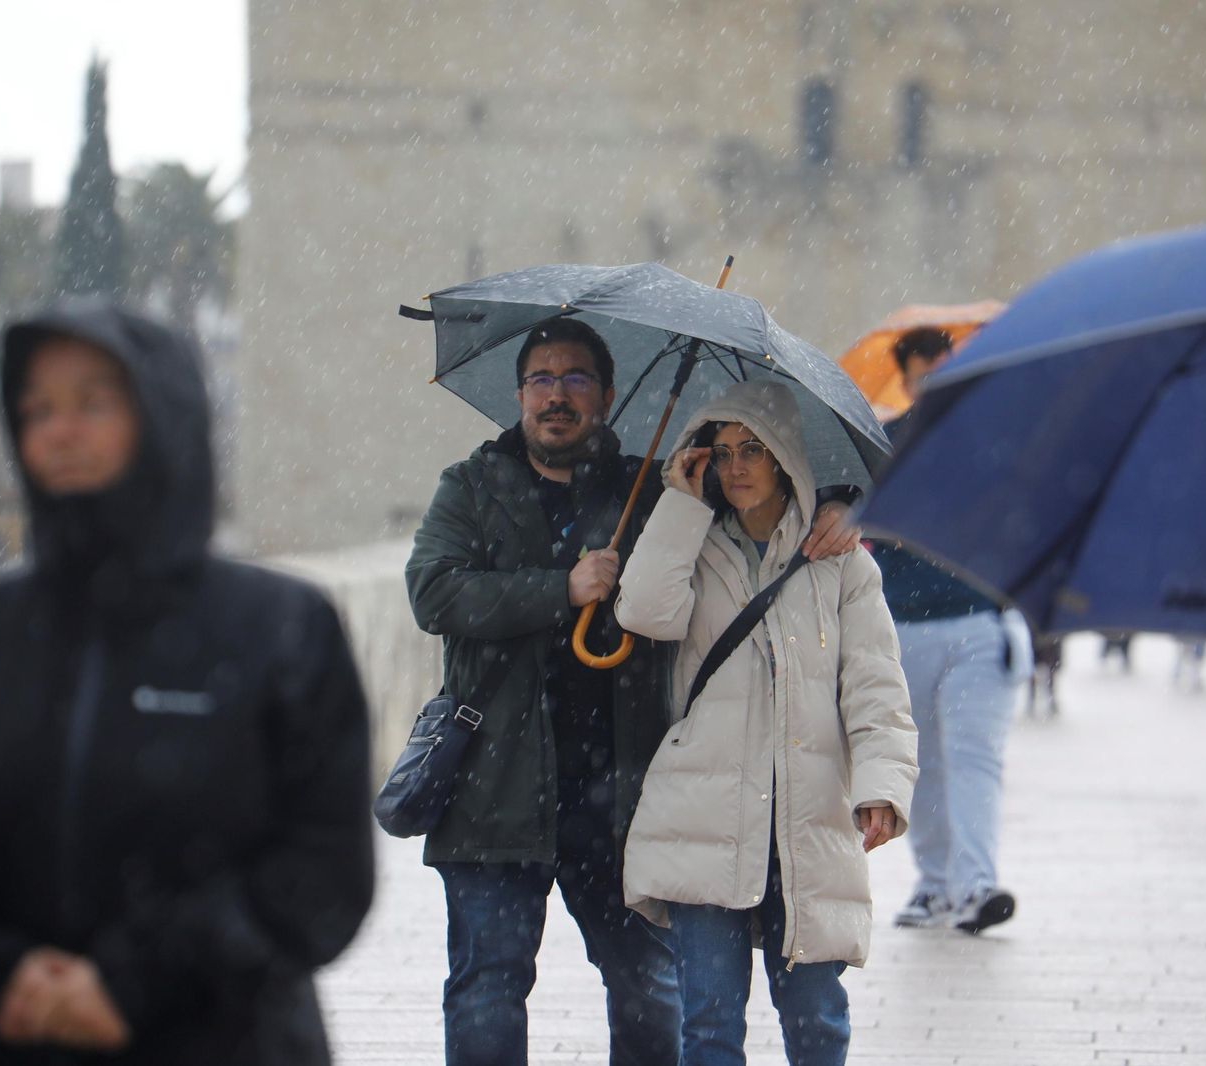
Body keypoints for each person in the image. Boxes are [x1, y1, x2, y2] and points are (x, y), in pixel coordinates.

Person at [0, 298, 376, 1064]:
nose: (58, 430)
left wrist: (133, 985)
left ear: (163, 417)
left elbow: (322, 874)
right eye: (37, 409)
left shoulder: (277, 629)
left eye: (93, 403)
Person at [405, 319, 861, 1066]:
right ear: (519, 395)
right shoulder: (471, 486)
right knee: (488, 987)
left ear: (608, 396)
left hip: (621, 792)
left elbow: (766, 497)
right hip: (492, 787)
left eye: (576, 379)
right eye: (541, 380)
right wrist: (562, 588)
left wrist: (842, 502)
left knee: (649, 989)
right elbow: (435, 594)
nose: (557, 396)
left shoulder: (656, 489)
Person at [613, 379, 917, 1066]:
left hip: (806, 821)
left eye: (753, 448)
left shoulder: (841, 562)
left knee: (816, 1020)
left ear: (784, 456)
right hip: (704, 813)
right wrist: (681, 504)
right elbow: (643, 613)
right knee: (711, 1025)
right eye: (720, 452)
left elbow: (875, 686)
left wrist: (882, 788)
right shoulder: (692, 541)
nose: (737, 467)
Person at [871, 327, 1029, 934]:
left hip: (980, 625)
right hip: (905, 626)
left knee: (975, 760)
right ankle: (936, 885)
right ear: (906, 380)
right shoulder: (884, 444)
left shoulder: (996, 444)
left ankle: (977, 885)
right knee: (922, 766)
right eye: (924, 373)